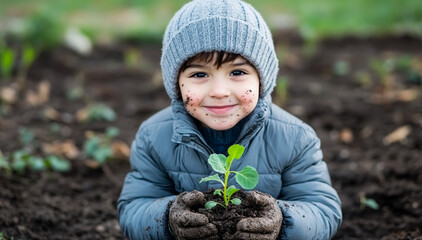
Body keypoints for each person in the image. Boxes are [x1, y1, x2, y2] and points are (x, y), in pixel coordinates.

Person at [117, 0, 342, 239]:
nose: (220, 91)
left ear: (261, 80)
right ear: (177, 83)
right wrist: (168, 219)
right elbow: (133, 210)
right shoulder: (153, 137)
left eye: (237, 72)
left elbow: (323, 211)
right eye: (199, 74)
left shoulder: (295, 138)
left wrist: (283, 222)